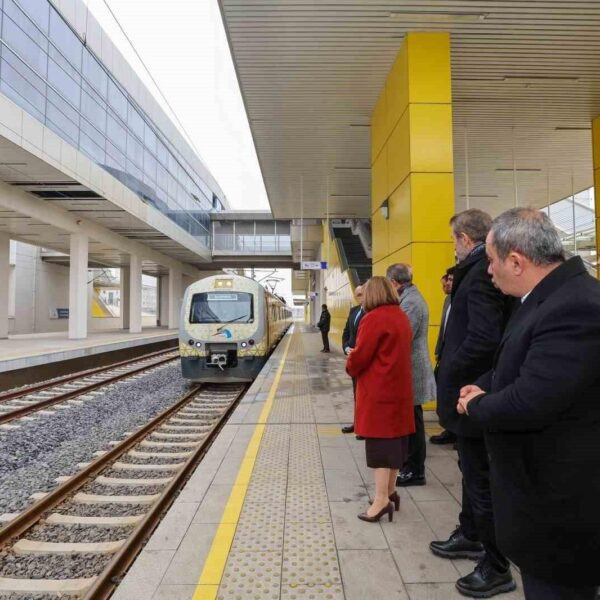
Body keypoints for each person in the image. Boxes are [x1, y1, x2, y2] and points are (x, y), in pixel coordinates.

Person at [457, 208, 600, 600]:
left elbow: (531, 401)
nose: (488, 271)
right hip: (547, 507)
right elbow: (520, 365)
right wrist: (483, 385)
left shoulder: (575, 306)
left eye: (491, 261)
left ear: (516, 261)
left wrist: (476, 405)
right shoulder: (548, 297)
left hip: (561, 513)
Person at [431, 209, 515, 598]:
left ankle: (496, 564)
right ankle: (470, 532)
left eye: (453, 240)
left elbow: (484, 337)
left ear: (465, 238)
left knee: (480, 478)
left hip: (472, 392)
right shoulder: (478, 270)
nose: (453, 247)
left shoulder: (482, 274)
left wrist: (451, 367)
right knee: (470, 470)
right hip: (470, 390)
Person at [346, 276, 414, 522]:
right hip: (399, 391)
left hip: (379, 392)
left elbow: (361, 357)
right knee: (395, 445)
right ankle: (391, 492)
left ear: (372, 294)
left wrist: (351, 359)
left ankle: (380, 500)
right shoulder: (400, 315)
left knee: (379, 448)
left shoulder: (373, 318)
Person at [386, 263, 436, 487]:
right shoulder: (407, 298)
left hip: (413, 371)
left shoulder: (412, 302)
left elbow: (402, 335)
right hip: (409, 370)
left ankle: (415, 471)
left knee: (413, 424)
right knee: (410, 420)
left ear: (395, 283)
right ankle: (409, 466)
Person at [430, 267, 457, 445]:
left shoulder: (463, 300)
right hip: (445, 353)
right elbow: (443, 329)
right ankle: (449, 427)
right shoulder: (448, 300)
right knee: (444, 392)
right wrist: (439, 350)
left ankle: (456, 430)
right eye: (446, 280)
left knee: (456, 392)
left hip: (457, 355)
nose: (447, 283)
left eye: (450, 280)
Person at [341, 285, 365, 434]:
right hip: (353, 359)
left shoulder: (372, 312)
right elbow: (346, 333)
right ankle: (357, 424)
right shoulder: (354, 311)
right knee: (356, 394)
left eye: (362, 294)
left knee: (364, 395)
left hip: (364, 359)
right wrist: (345, 348)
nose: (360, 297)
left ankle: (364, 427)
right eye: (358, 295)